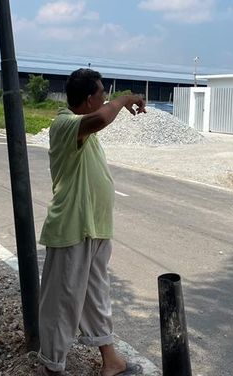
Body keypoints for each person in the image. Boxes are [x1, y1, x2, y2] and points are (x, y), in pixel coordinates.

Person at [38, 68, 145, 376]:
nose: (106, 99)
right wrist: (123, 100)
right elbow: (100, 119)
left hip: (95, 229)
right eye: (102, 94)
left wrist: (118, 102)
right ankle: (52, 367)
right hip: (72, 228)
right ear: (88, 100)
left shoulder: (86, 133)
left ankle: (111, 361)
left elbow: (98, 121)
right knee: (62, 302)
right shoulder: (65, 124)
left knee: (95, 297)